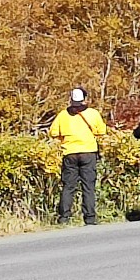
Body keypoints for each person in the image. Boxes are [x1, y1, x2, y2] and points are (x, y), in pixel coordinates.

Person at [49, 87, 107, 225]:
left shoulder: (63, 115)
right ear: (84, 99)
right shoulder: (93, 114)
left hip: (69, 153)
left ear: (71, 99)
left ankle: (64, 217)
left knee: (68, 186)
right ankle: (90, 218)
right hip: (88, 152)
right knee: (88, 186)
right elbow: (101, 131)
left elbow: (53, 132)